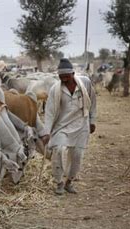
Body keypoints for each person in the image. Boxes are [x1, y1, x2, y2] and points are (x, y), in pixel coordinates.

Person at [40, 58, 97, 195]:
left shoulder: (85, 83)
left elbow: (92, 102)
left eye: (66, 76)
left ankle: (69, 182)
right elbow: (49, 111)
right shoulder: (55, 89)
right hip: (62, 126)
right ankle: (59, 182)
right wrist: (47, 131)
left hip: (81, 124)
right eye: (61, 76)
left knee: (77, 155)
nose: (64, 79)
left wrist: (92, 120)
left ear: (73, 73)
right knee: (58, 150)